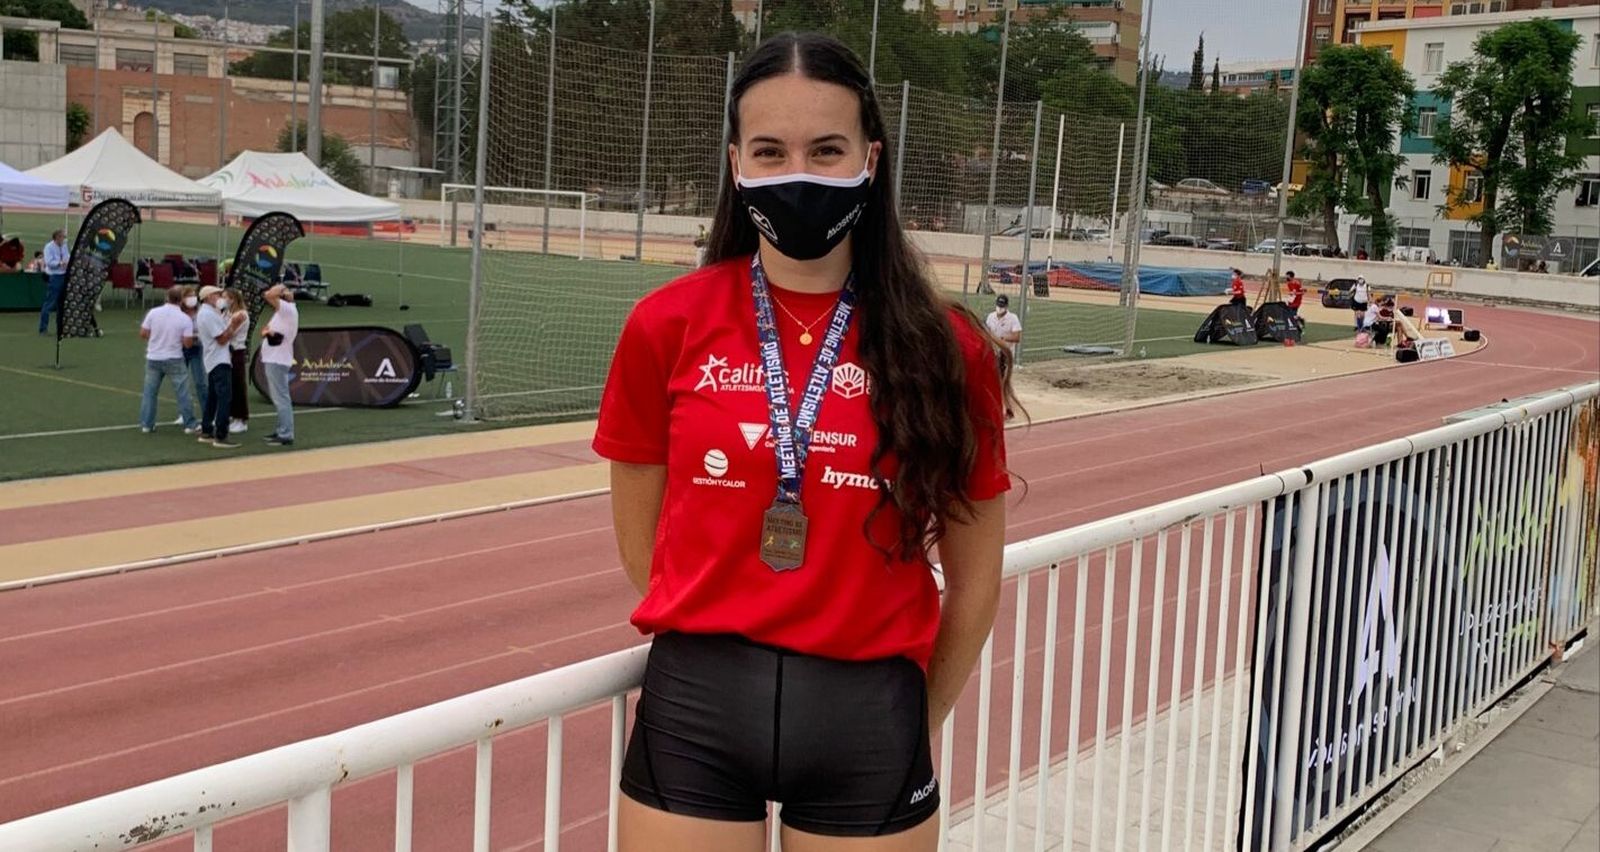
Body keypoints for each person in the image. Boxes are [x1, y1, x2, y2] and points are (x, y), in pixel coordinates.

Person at [592, 33, 1013, 852]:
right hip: (696, 713)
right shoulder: (664, 326)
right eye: (769, 152)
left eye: (826, 150)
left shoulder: (945, 348)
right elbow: (644, 546)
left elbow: (976, 579)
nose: (798, 174)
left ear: (871, 158)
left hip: (869, 721)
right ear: (736, 165)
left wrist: (912, 720)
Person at [137, 287, 200, 434]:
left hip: (154, 357)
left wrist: (156, 337)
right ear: (181, 300)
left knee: (150, 392)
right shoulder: (184, 318)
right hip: (174, 357)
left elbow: (143, 333)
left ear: (167, 297)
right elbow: (187, 344)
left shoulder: (153, 312)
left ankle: (147, 424)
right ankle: (190, 424)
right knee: (183, 392)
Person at [195, 285, 245, 448]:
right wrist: (234, 325)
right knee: (224, 397)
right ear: (208, 297)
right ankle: (221, 435)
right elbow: (222, 339)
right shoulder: (208, 315)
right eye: (217, 295)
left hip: (214, 359)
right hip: (218, 359)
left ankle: (207, 429)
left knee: (213, 396)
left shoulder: (209, 313)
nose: (220, 298)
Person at [260, 284, 299, 447]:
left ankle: (286, 434)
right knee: (278, 397)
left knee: (281, 397)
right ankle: (281, 429)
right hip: (274, 358)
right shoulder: (282, 311)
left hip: (278, 359)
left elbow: (268, 295)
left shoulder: (287, 309)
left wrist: (281, 287)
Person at [173, 285, 207, 427]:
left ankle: (208, 414)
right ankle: (184, 413)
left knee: (200, 383)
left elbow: (205, 330)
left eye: (194, 295)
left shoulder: (201, 312)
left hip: (196, 349)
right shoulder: (178, 313)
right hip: (181, 350)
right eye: (189, 295)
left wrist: (194, 336)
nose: (192, 298)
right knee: (182, 383)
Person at [985, 294, 1022, 421]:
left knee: (1003, 382)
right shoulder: (991, 317)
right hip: (993, 353)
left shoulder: (1013, 318)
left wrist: (1002, 338)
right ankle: (998, 407)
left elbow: (1017, 337)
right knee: (993, 381)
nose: (1000, 308)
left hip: (1005, 355)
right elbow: (987, 332)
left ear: (1006, 306)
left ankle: (1008, 409)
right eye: (998, 305)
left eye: (1002, 306)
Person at [225, 287, 251, 434]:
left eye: (226, 297)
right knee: (229, 385)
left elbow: (228, 332)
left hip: (236, 351)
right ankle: (231, 415)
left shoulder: (241, 315)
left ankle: (241, 419)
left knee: (238, 385)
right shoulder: (227, 313)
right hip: (226, 351)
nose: (223, 300)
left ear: (233, 299)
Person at [38, 229, 69, 335]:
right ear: (57, 237)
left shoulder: (64, 246)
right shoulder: (49, 247)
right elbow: (49, 262)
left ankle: (60, 327)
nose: (63, 239)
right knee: (50, 302)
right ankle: (43, 328)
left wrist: (67, 262)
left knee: (62, 303)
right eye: (62, 237)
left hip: (64, 275)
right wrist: (59, 263)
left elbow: (67, 256)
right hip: (54, 276)